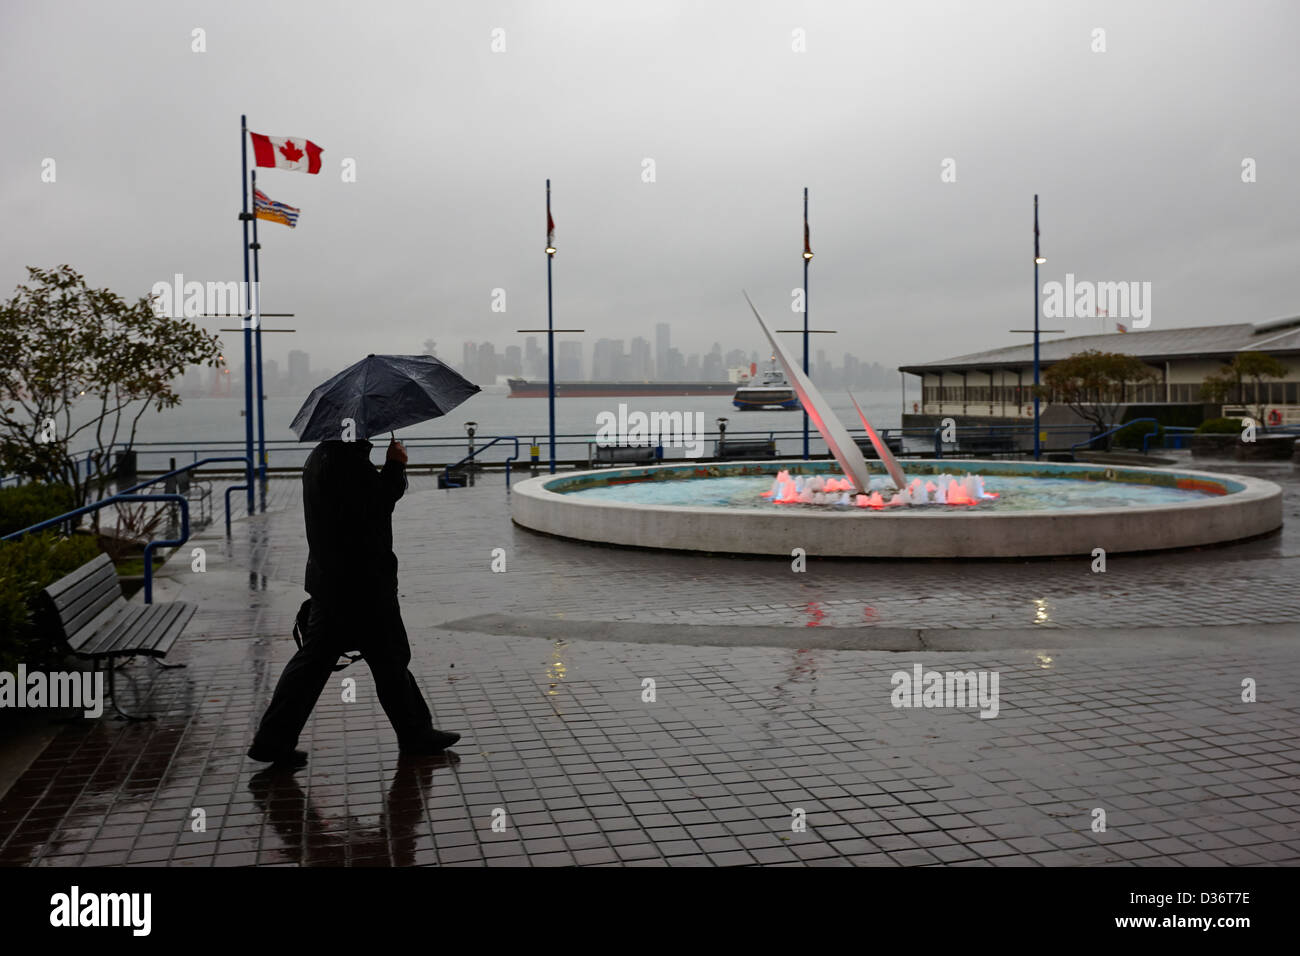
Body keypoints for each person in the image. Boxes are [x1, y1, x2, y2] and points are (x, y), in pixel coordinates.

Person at [248, 435, 459, 767]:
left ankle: (272, 739)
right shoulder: (347, 462)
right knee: (387, 658)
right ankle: (416, 735)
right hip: (362, 583)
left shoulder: (322, 456)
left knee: (323, 662)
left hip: (332, 580)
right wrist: (395, 464)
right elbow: (375, 504)